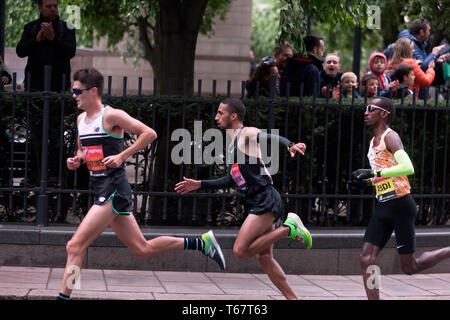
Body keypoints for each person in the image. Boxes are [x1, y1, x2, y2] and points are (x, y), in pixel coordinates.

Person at [57, 68, 225, 300]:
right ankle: (201, 243)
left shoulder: (111, 115)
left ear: (93, 91)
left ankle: (64, 297)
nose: (73, 95)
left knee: (74, 246)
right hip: (101, 189)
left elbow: (149, 133)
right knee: (142, 249)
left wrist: (122, 156)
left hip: (113, 189)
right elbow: (83, 150)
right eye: (73, 91)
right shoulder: (80, 120)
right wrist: (77, 160)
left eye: (77, 90)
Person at [175, 98, 312, 300]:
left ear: (234, 116)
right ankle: (293, 299)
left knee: (240, 250)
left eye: (220, 113)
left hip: (265, 199)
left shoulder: (245, 133)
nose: (216, 117)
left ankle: (288, 229)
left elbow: (267, 136)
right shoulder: (232, 144)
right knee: (265, 257)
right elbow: (232, 179)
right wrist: (200, 184)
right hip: (259, 200)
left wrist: (289, 145)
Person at [348, 96, 450, 300]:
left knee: (409, 267)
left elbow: (408, 167)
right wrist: (365, 181)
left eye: (371, 108)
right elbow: (387, 172)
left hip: (401, 206)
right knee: (366, 258)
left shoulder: (390, 137)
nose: (365, 112)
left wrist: (374, 174)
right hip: (383, 206)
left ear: (383, 113)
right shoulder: (372, 142)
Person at [16, 0, 76, 92]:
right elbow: (20, 51)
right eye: (48, 6)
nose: (52, 9)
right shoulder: (31, 27)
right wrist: (36, 40)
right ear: (40, 7)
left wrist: (53, 39)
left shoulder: (67, 28)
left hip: (60, 87)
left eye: (55, 6)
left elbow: (71, 52)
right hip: (34, 87)